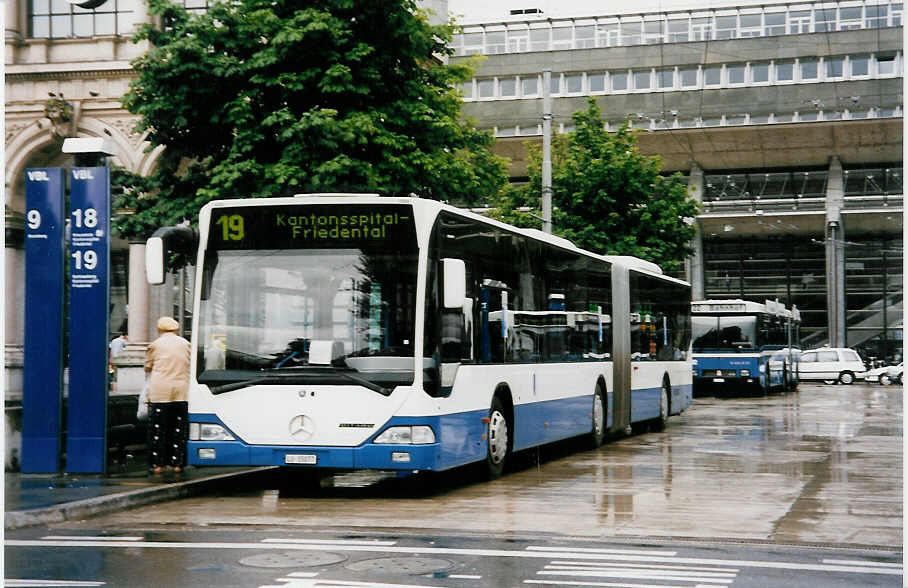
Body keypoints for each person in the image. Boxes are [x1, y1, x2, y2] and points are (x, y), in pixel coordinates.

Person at [144, 317, 191, 475]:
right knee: (178, 429)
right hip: (181, 391)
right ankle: (177, 464)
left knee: (158, 430)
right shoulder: (185, 344)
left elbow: (147, 367)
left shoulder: (155, 345)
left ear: (159, 329)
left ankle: (158, 465)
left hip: (160, 391)